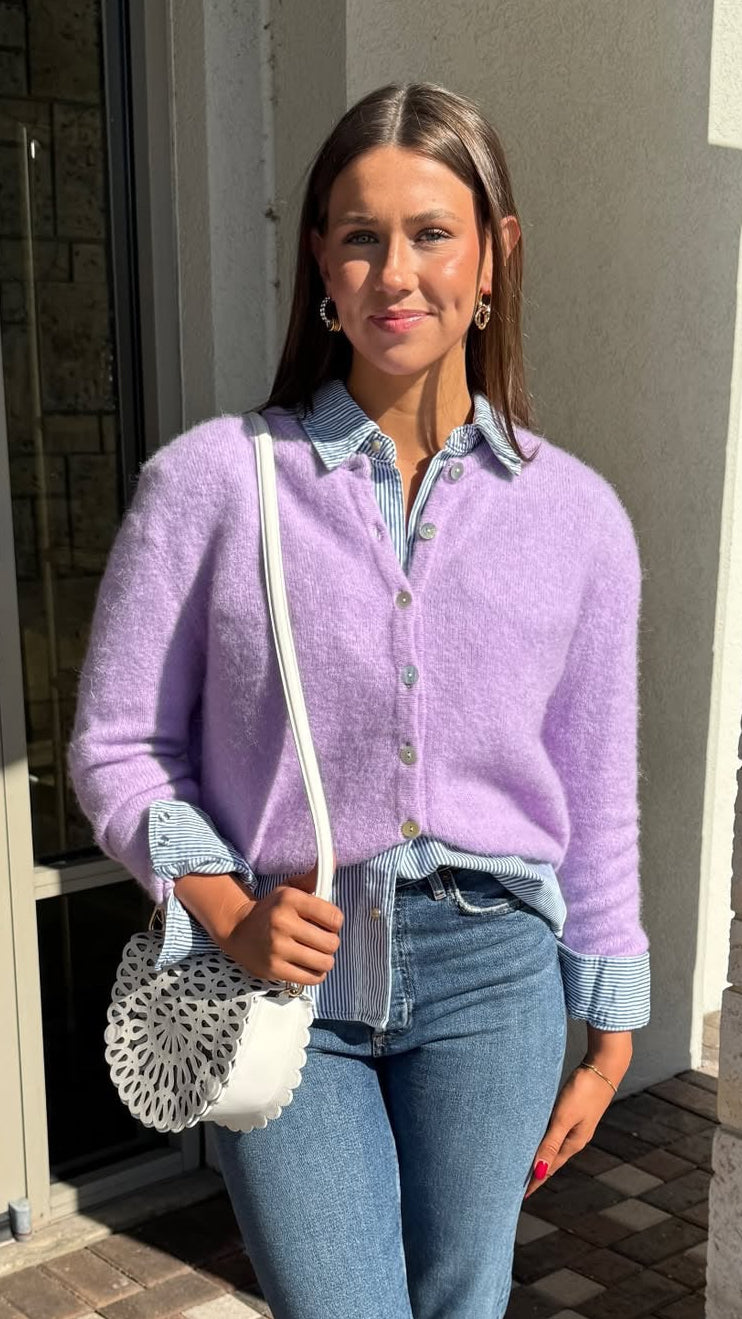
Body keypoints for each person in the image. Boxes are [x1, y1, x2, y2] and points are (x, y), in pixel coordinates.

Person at [68, 81, 650, 1319]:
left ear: (491, 256)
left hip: (494, 969)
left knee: (462, 1301)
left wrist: (608, 1013)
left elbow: (596, 786)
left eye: (432, 231)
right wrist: (221, 905)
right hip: (290, 971)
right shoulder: (214, 484)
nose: (397, 269)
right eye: (360, 233)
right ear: (320, 268)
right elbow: (118, 745)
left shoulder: (577, 519)